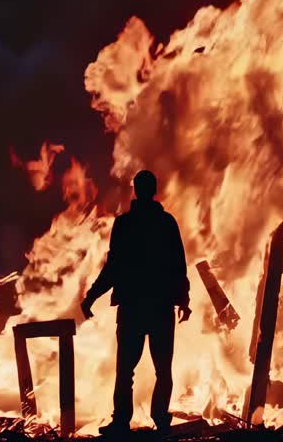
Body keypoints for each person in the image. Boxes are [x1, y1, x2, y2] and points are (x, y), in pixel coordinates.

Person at [81, 170, 191, 435]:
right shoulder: (166, 223)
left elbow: (113, 268)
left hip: (133, 308)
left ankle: (121, 422)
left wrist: (92, 296)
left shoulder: (125, 224)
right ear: (154, 191)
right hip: (160, 307)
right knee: (162, 369)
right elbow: (178, 266)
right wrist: (183, 299)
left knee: (126, 370)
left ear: (136, 190)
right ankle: (160, 420)